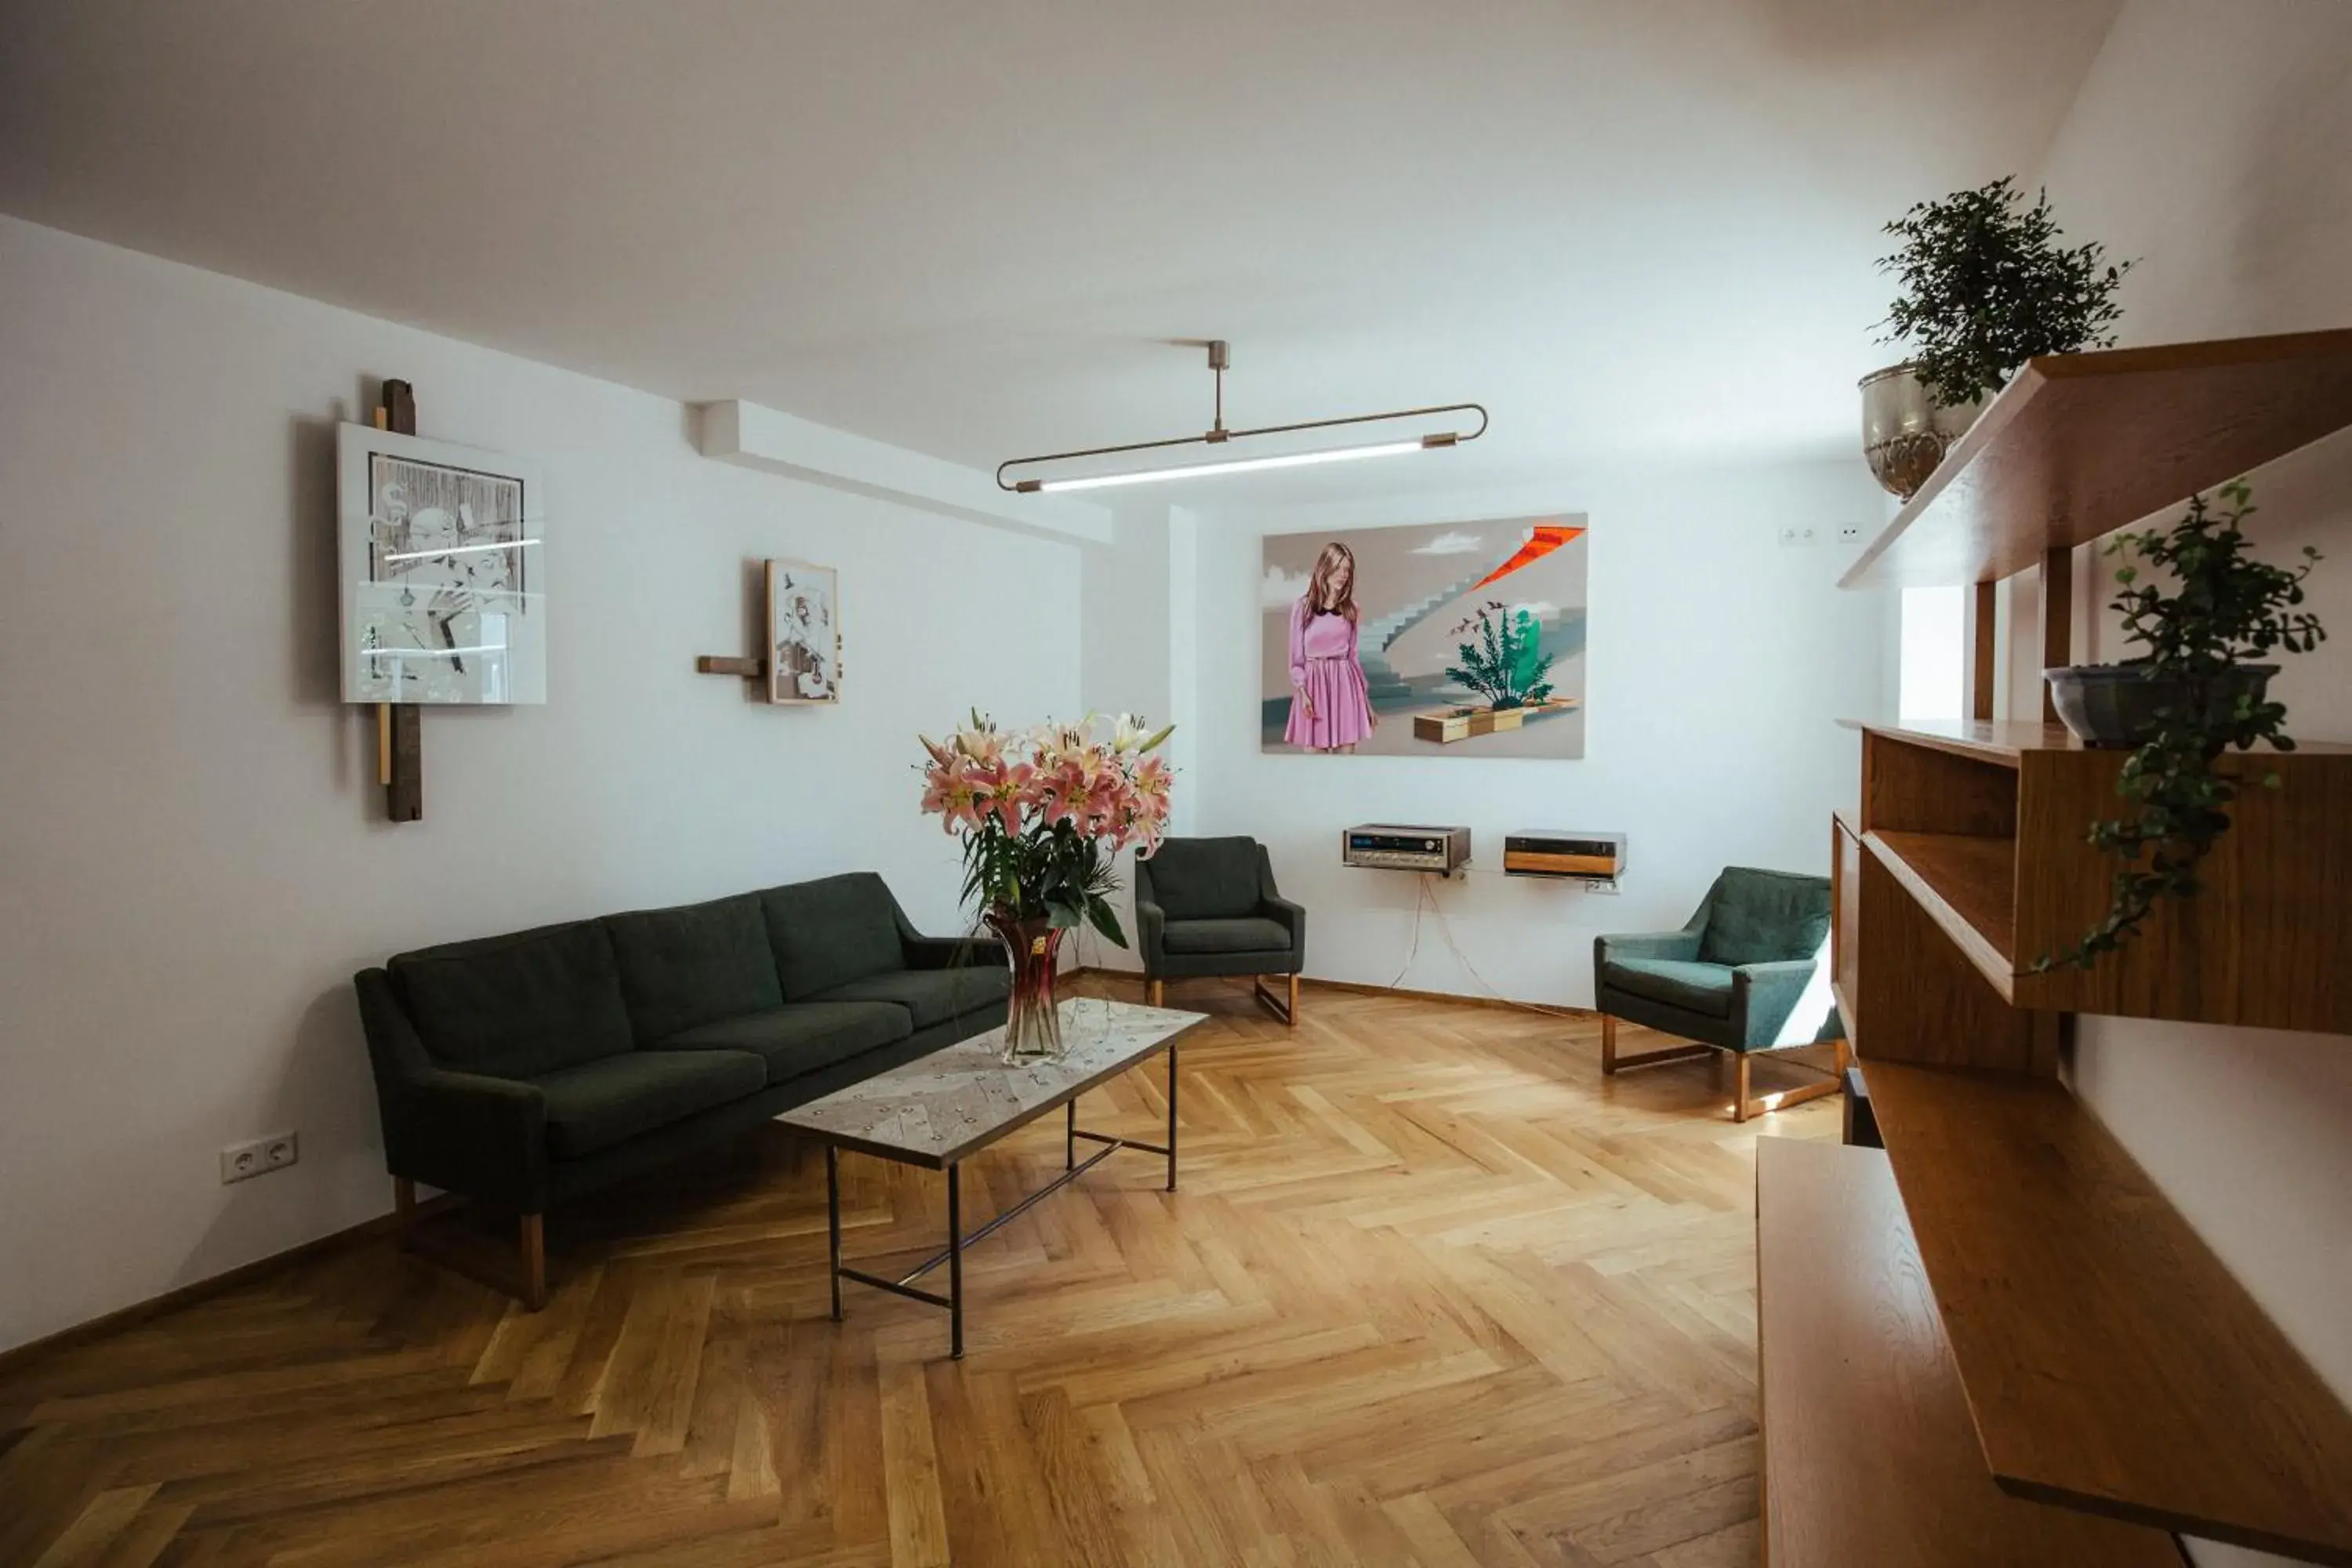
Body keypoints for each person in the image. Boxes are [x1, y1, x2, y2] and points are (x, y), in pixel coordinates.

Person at [1285, 541, 1377, 753]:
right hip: (1314, 687)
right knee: (1315, 760)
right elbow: (1296, 659)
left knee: (1346, 760)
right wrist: (1303, 691)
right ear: (1325, 568)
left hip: (1345, 686)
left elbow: (1353, 657)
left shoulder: (1352, 609)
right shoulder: (1303, 607)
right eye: (1339, 568)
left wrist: (1365, 703)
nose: (1344, 575)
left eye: (1347, 569)